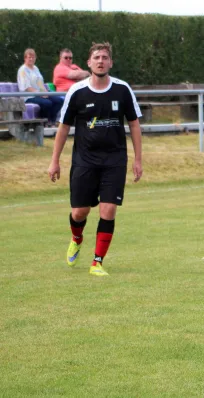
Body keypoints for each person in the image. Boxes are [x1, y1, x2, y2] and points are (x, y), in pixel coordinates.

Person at [47, 42, 143, 277]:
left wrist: (138, 159)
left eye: (105, 57)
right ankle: (76, 237)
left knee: (108, 210)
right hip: (84, 161)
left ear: (111, 62)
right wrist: (54, 160)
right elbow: (63, 128)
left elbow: (134, 124)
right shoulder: (77, 91)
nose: (101, 61)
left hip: (114, 160)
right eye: (96, 57)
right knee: (79, 212)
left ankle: (97, 262)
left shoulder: (122, 90)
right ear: (89, 63)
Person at [17, 48, 63, 126]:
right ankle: (43, 123)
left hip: (40, 94)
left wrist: (46, 93)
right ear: (25, 58)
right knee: (47, 103)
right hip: (29, 96)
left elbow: (40, 83)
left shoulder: (35, 68)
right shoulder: (22, 70)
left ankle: (51, 121)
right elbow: (26, 87)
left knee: (59, 100)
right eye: (29, 57)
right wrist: (40, 94)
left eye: (33, 57)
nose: (31, 59)